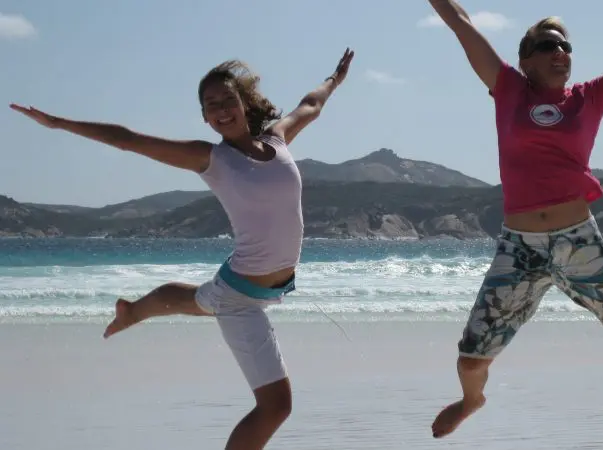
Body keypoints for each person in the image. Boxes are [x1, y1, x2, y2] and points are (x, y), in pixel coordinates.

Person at [10, 48, 355, 450]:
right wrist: (58, 123)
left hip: (249, 287)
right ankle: (136, 311)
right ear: (205, 118)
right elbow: (130, 141)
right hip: (241, 298)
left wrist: (335, 78)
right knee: (276, 406)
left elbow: (311, 105)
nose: (222, 109)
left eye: (228, 100)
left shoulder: (277, 140)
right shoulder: (212, 158)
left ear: (245, 103)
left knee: (204, 297)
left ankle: (134, 310)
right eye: (212, 105)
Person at [425, 0, 603, 439]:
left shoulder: (590, 98)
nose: (559, 52)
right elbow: (460, 21)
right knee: (469, 360)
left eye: (565, 46)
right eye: (547, 45)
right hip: (519, 247)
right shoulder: (508, 88)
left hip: (577, 241)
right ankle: (473, 400)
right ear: (526, 59)